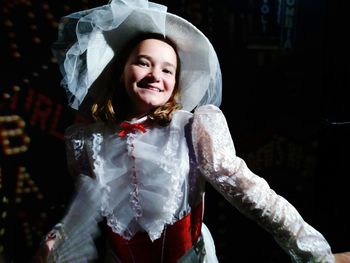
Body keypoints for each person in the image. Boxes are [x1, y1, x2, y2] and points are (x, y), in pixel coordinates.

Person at [32, 0, 350, 262]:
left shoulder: (192, 128)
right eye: (143, 63)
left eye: (167, 69)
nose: (155, 74)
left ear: (175, 84)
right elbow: (85, 205)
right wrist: (56, 241)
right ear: (122, 70)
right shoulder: (88, 138)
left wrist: (315, 252)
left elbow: (255, 196)